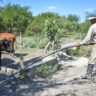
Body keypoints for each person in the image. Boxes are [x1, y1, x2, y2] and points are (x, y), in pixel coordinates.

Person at [79, 15, 96, 79]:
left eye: (91, 20)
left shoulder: (93, 26)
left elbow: (88, 38)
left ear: (95, 19)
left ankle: (88, 75)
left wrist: (81, 43)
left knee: (92, 59)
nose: (90, 21)